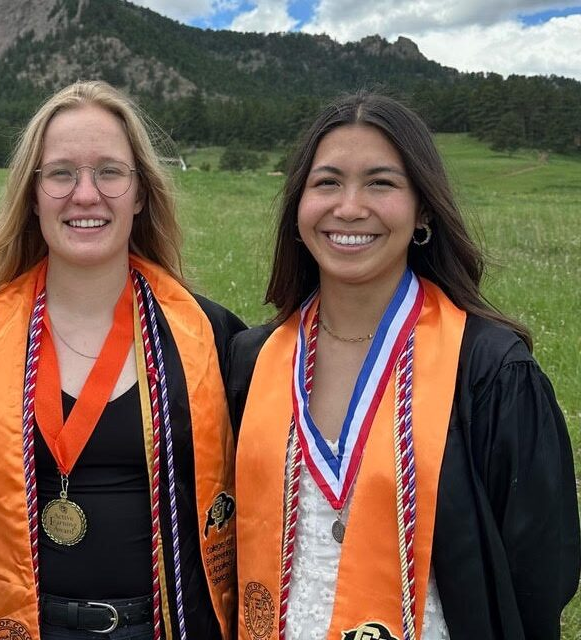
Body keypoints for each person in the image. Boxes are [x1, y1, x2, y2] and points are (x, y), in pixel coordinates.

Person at [228, 91, 579, 640]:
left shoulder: (489, 371)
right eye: (326, 182)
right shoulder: (254, 360)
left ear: (423, 211)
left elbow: (541, 573)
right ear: (297, 210)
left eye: (380, 182)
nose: (349, 207)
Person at [0, 80, 244, 640]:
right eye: (60, 173)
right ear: (32, 197)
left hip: (176, 625)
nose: (86, 194)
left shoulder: (215, 338)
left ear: (140, 193)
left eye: (109, 171)